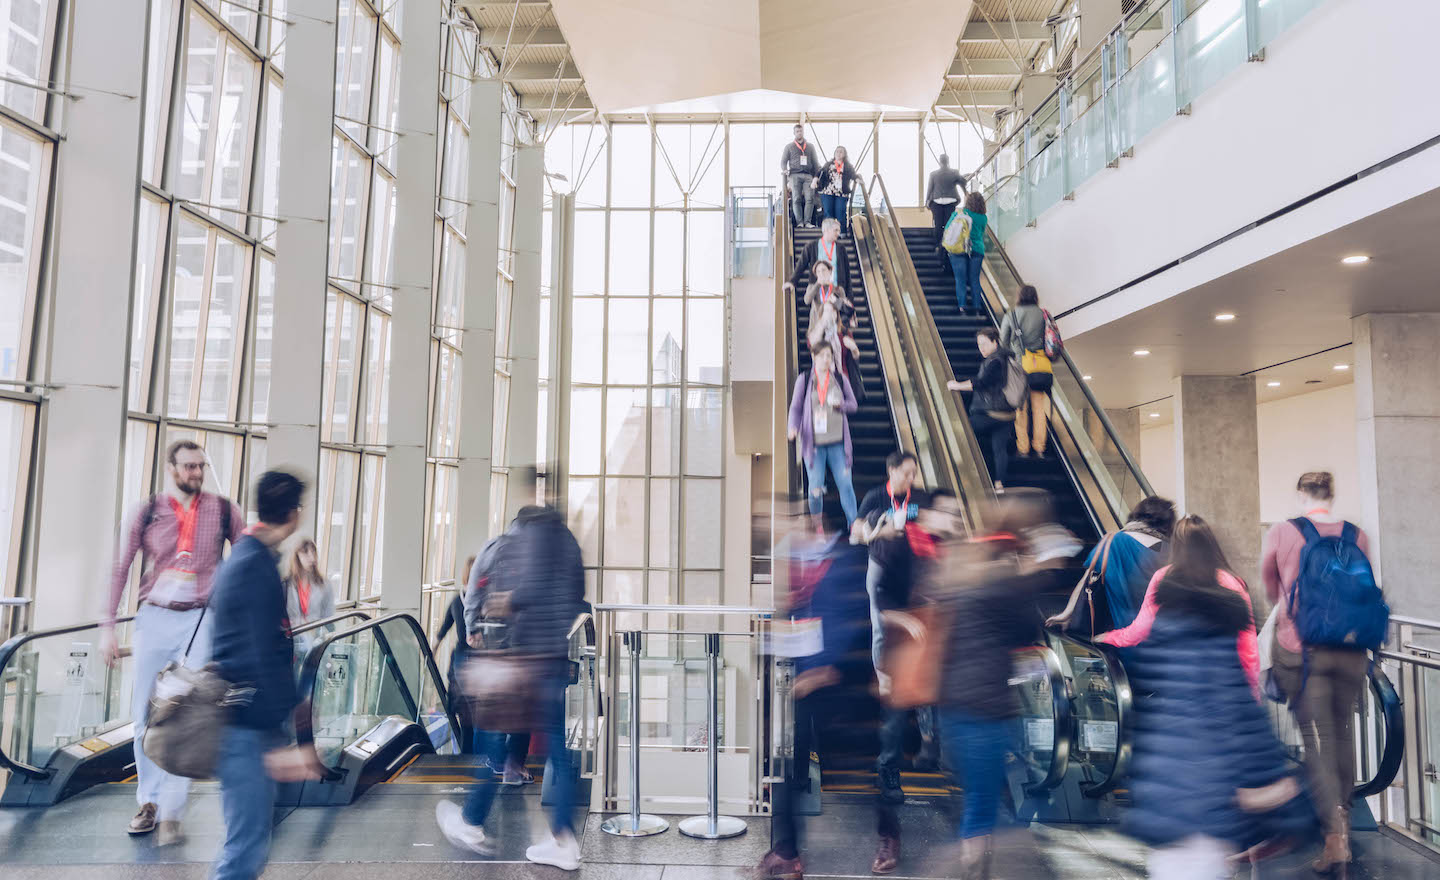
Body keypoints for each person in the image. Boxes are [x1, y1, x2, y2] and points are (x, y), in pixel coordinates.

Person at [1114, 513, 1314, 879]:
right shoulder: (1232, 591)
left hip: (1165, 783)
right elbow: (1247, 656)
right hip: (1210, 791)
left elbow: (1140, 632)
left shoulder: (1162, 585)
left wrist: (1109, 638)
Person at [103, 439, 246, 843]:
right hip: (156, 617)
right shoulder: (147, 511)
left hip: (203, 618)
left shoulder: (223, 510)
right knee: (145, 710)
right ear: (171, 468)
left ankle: (172, 813)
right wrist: (107, 627)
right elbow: (120, 567)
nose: (195, 474)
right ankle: (148, 802)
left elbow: (248, 556)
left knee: (192, 711)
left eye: (200, 466)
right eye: (188, 467)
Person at [437, 502, 588, 870]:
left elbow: (475, 595)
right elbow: (576, 599)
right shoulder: (569, 547)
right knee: (558, 749)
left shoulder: (503, 544)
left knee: (491, 740)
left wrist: (476, 627)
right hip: (552, 659)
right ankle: (564, 841)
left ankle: (472, 821)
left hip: (513, 660)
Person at [923, 490, 1053, 880]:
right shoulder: (1004, 581)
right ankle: (969, 869)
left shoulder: (957, 566)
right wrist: (1031, 568)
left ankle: (977, 864)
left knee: (979, 801)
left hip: (952, 703)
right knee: (984, 806)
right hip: (988, 705)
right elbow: (1029, 629)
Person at [210, 469, 325, 880]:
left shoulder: (247, 558)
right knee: (243, 852)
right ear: (295, 514)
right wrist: (277, 736)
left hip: (245, 724)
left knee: (248, 846)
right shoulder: (253, 566)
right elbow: (257, 652)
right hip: (246, 728)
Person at [1262, 471, 1374, 875]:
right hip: (1350, 647)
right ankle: (1343, 814)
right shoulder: (1357, 535)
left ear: (1301, 494)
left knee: (1314, 742)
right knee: (1341, 733)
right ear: (1331, 494)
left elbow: (1271, 588)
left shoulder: (1283, 532)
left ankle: (1333, 839)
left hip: (1302, 650)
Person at [760, 505, 877, 880]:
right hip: (807, 683)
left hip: (842, 686)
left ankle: (889, 829)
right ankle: (787, 854)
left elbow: (854, 619)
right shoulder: (798, 565)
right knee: (791, 771)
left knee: (859, 771)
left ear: (813, 522)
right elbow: (792, 618)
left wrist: (827, 669)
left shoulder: (846, 559)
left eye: (786, 523)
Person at [856, 451, 938, 837]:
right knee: (883, 646)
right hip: (885, 574)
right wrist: (880, 531)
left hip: (915, 590)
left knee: (920, 676)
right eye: (906, 473)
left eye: (914, 472)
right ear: (891, 471)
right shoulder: (876, 498)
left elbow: (930, 533)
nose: (911, 478)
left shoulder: (921, 503)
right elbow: (858, 532)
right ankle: (891, 765)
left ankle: (926, 744)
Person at [1097, 515, 1261, 697]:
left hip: (1179, 684)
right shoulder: (1232, 582)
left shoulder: (1163, 578)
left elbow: (1139, 631)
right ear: (1209, 544)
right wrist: (1252, 691)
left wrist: (1109, 637)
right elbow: (1248, 646)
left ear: (1176, 546)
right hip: (1223, 683)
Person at [1047, 496, 1176, 635]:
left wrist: (1066, 613)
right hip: (1163, 632)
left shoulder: (1113, 542)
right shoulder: (1171, 550)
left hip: (1121, 633)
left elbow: (1087, 580)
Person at [787, 341, 859, 525]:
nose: (826, 359)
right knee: (815, 488)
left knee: (846, 486)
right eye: (822, 355)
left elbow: (853, 405)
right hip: (814, 445)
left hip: (838, 443)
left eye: (829, 355)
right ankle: (817, 526)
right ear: (814, 357)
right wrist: (792, 427)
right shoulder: (804, 379)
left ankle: (854, 526)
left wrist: (841, 405)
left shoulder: (840, 379)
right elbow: (795, 408)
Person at [947, 327, 1017, 491]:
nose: (981, 348)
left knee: (960, 430)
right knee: (999, 450)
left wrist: (957, 385)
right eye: (979, 345)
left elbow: (981, 383)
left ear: (995, 342)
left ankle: (965, 476)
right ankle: (999, 484)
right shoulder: (1008, 359)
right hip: (1007, 414)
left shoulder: (995, 361)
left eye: (985, 344)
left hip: (991, 413)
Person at [998, 285, 1052, 459]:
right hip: (1040, 365)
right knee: (1038, 408)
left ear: (1019, 296)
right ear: (1035, 297)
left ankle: (1023, 448)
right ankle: (1040, 447)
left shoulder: (1011, 315)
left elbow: (1003, 342)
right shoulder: (1043, 314)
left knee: (1021, 408)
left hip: (1019, 366)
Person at [804, 258, 863, 402]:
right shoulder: (814, 286)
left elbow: (847, 309)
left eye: (823, 270)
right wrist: (818, 283)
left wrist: (834, 302)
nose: (821, 273)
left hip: (836, 328)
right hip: (818, 328)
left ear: (830, 271)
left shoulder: (838, 290)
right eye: (818, 271)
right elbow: (806, 300)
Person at [435, 555, 476, 753]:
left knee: (466, 714)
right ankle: (480, 759)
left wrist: (430, 653)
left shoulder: (456, 601)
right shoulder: (485, 601)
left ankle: (466, 756)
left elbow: (441, 633)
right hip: (480, 661)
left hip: (460, 661)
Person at [284, 538, 336, 663]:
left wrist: (332, 646)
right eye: (305, 552)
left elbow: (329, 618)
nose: (311, 557)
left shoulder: (324, 585)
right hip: (293, 645)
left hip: (316, 643)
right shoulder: (287, 585)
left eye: (313, 552)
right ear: (296, 556)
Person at [947, 191, 988, 313]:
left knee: (961, 279)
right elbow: (981, 233)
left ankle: (962, 306)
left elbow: (949, 229)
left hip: (959, 249)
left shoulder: (959, 214)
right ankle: (976, 307)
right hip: (977, 249)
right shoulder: (983, 218)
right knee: (974, 279)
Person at [787, 216, 851, 294]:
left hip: (837, 290)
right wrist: (792, 282)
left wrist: (849, 296)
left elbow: (847, 272)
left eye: (839, 230)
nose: (838, 233)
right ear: (826, 230)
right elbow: (801, 265)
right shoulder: (811, 246)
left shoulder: (841, 248)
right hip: (818, 291)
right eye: (836, 230)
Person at [780, 123, 822, 227]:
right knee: (796, 199)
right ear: (794, 133)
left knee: (810, 198)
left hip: (808, 175)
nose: (799, 133)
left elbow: (816, 162)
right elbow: (783, 161)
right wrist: (785, 170)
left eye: (801, 131)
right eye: (797, 131)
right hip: (794, 175)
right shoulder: (789, 147)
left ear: (803, 132)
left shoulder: (810, 146)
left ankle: (807, 222)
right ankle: (800, 222)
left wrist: (818, 175)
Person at [925, 154, 965, 259]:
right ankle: (947, 245)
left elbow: (930, 188)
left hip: (937, 200)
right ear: (948, 161)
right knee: (948, 225)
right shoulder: (954, 172)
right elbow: (963, 183)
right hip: (951, 200)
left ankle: (938, 245)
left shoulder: (933, 174)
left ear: (940, 161)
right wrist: (966, 193)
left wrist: (927, 201)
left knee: (938, 224)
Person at [815, 145, 858, 235]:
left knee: (840, 212)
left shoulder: (847, 166)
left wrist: (857, 179)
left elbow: (853, 174)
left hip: (842, 193)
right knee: (828, 212)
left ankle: (842, 232)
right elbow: (820, 172)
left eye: (841, 152)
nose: (838, 153)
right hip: (828, 191)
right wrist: (815, 180)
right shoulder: (828, 164)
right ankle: (828, 233)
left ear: (844, 154)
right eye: (837, 151)